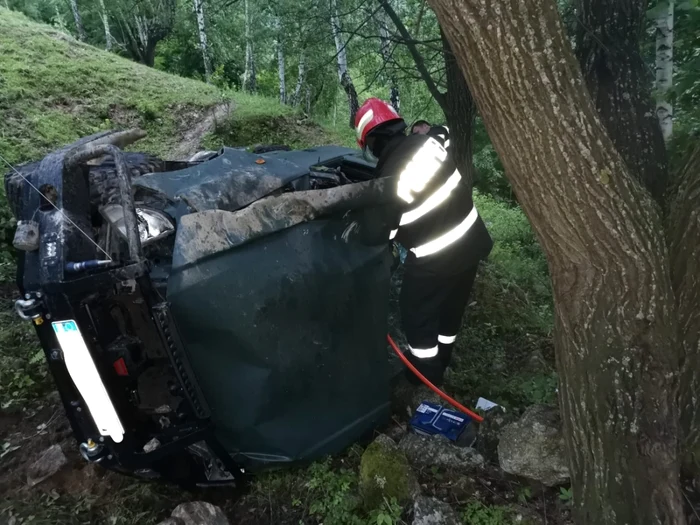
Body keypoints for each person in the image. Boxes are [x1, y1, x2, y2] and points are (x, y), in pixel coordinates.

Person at [355, 98, 493, 386]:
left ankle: (426, 379)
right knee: (450, 312)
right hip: (471, 242)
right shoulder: (429, 144)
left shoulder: (389, 177)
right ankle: (443, 359)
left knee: (416, 315)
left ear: (371, 142)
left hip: (436, 258)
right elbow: (443, 136)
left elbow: (382, 232)